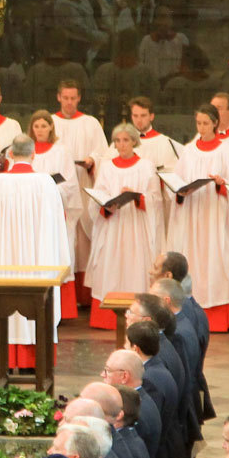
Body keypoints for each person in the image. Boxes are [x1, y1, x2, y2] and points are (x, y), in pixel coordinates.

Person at [0, 134, 70, 368]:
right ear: (34, 154)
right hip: (38, 263)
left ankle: (5, 360)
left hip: (3, 263)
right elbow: (57, 224)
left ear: (10, 154)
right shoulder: (46, 182)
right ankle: (33, 361)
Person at [164, 105, 229, 332]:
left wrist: (222, 184)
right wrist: (180, 192)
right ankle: (190, 313)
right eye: (198, 123)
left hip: (215, 215)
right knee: (194, 261)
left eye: (206, 124)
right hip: (192, 214)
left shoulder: (225, 150)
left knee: (215, 260)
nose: (201, 128)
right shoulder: (189, 151)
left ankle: (219, 317)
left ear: (215, 123)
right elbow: (176, 182)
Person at [87, 123, 163, 329]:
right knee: (111, 265)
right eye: (118, 141)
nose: (121, 145)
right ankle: (107, 318)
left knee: (135, 265)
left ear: (134, 142)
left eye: (126, 140)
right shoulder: (107, 166)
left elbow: (156, 198)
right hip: (113, 224)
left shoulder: (146, 166)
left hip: (136, 226)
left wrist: (138, 197)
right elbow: (98, 194)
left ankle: (139, 315)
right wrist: (107, 205)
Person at [20, 110, 82, 320]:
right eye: (36, 126)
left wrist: (49, 188)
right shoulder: (25, 151)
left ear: (51, 127)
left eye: (44, 126)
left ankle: (57, 311)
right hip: (31, 214)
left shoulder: (61, 151)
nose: (40, 130)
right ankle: (33, 308)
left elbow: (70, 183)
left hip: (54, 212)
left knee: (54, 256)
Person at [52, 80, 109, 303]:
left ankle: (83, 296)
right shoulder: (50, 122)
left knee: (84, 238)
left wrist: (92, 160)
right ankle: (64, 292)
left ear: (79, 98)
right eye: (65, 98)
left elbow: (103, 154)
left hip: (84, 182)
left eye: (73, 98)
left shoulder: (91, 123)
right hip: (58, 189)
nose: (69, 102)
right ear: (58, 97)